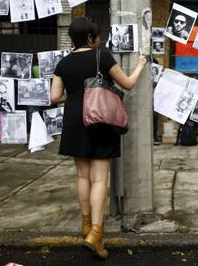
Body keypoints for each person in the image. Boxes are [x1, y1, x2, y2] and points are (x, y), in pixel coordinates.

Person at [51, 17, 147, 259]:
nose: (100, 40)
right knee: (100, 179)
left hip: (74, 119)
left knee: (82, 175)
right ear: (91, 38)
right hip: (100, 119)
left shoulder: (62, 63)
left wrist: (75, 95)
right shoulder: (101, 56)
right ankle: (96, 233)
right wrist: (140, 65)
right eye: (98, 36)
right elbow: (127, 84)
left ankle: (85, 227)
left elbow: (54, 97)